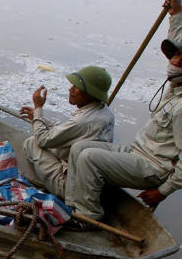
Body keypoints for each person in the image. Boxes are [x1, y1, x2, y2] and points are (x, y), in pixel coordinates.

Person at [64, 0, 182, 225]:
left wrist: (165, 190)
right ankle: (72, 205)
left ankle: (87, 217)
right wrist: (176, 14)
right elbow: (180, 38)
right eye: (176, 55)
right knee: (80, 147)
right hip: (138, 152)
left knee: (90, 158)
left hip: (154, 168)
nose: (176, 61)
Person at [18, 66, 115, 198]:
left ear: (90, 93)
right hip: (90, 181)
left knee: (31, 143)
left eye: (76, 87)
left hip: (71, 188)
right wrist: (38, 118)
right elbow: (66, 130)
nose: (71, 90)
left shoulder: (82, 121)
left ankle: (47, 188)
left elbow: (42, 139)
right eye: (72, 85)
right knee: (54, 145)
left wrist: (38, 109)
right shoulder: (106, 113)